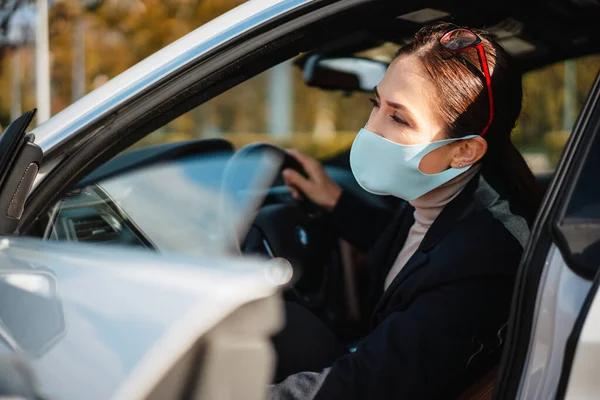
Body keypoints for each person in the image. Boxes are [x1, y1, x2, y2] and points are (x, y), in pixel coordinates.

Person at [268, 22, 542, 399]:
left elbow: (371, 384)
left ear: (464, 151)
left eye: (399, 118)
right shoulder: (439, 196)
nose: (370, 130)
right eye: (376, 104)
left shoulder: (484, 259)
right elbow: (411, 246)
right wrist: (335, 202)